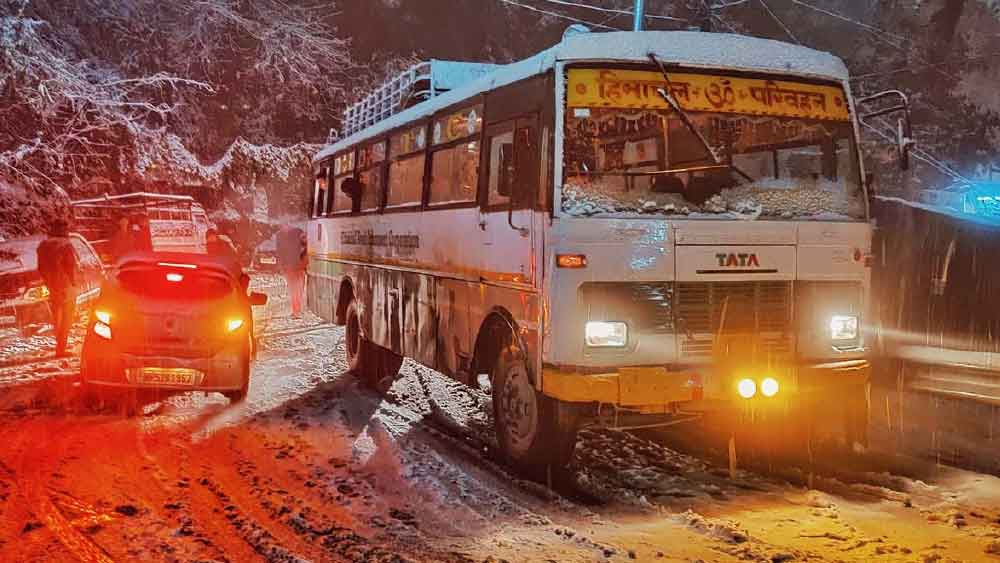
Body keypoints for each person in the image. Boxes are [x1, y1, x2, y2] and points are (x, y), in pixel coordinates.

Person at [36, 218, 79, 357]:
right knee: (67, 318)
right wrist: (73, 283)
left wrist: (48, 282)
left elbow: (40, 268)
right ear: (63, 230)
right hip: (66, 286)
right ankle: (61, 349)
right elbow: (71, 266)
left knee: (57, 318)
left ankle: (59, 347)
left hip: (51, 286)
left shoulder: (43, 246)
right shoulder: (66, 245)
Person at [276, 226, 307, 317]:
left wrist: (282, 266)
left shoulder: (282, 241)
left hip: (290, 269)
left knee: (293, 290)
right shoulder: (302, 241)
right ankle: (297, 309)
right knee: (299, 290)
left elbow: (280, 255)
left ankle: (295, 310)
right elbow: (305, 252)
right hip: (299, 268)